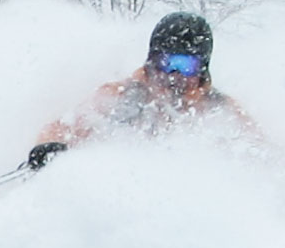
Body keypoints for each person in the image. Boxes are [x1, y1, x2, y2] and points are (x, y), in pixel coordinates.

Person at [26, 11, 268, 171]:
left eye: (186, 65)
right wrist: (50, 146)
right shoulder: (122, 97)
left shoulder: (219, 111)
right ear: (152, 60)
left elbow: (263, 153)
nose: (175, 75)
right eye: (167, 62)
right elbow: (65, 127)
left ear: (202, 69)